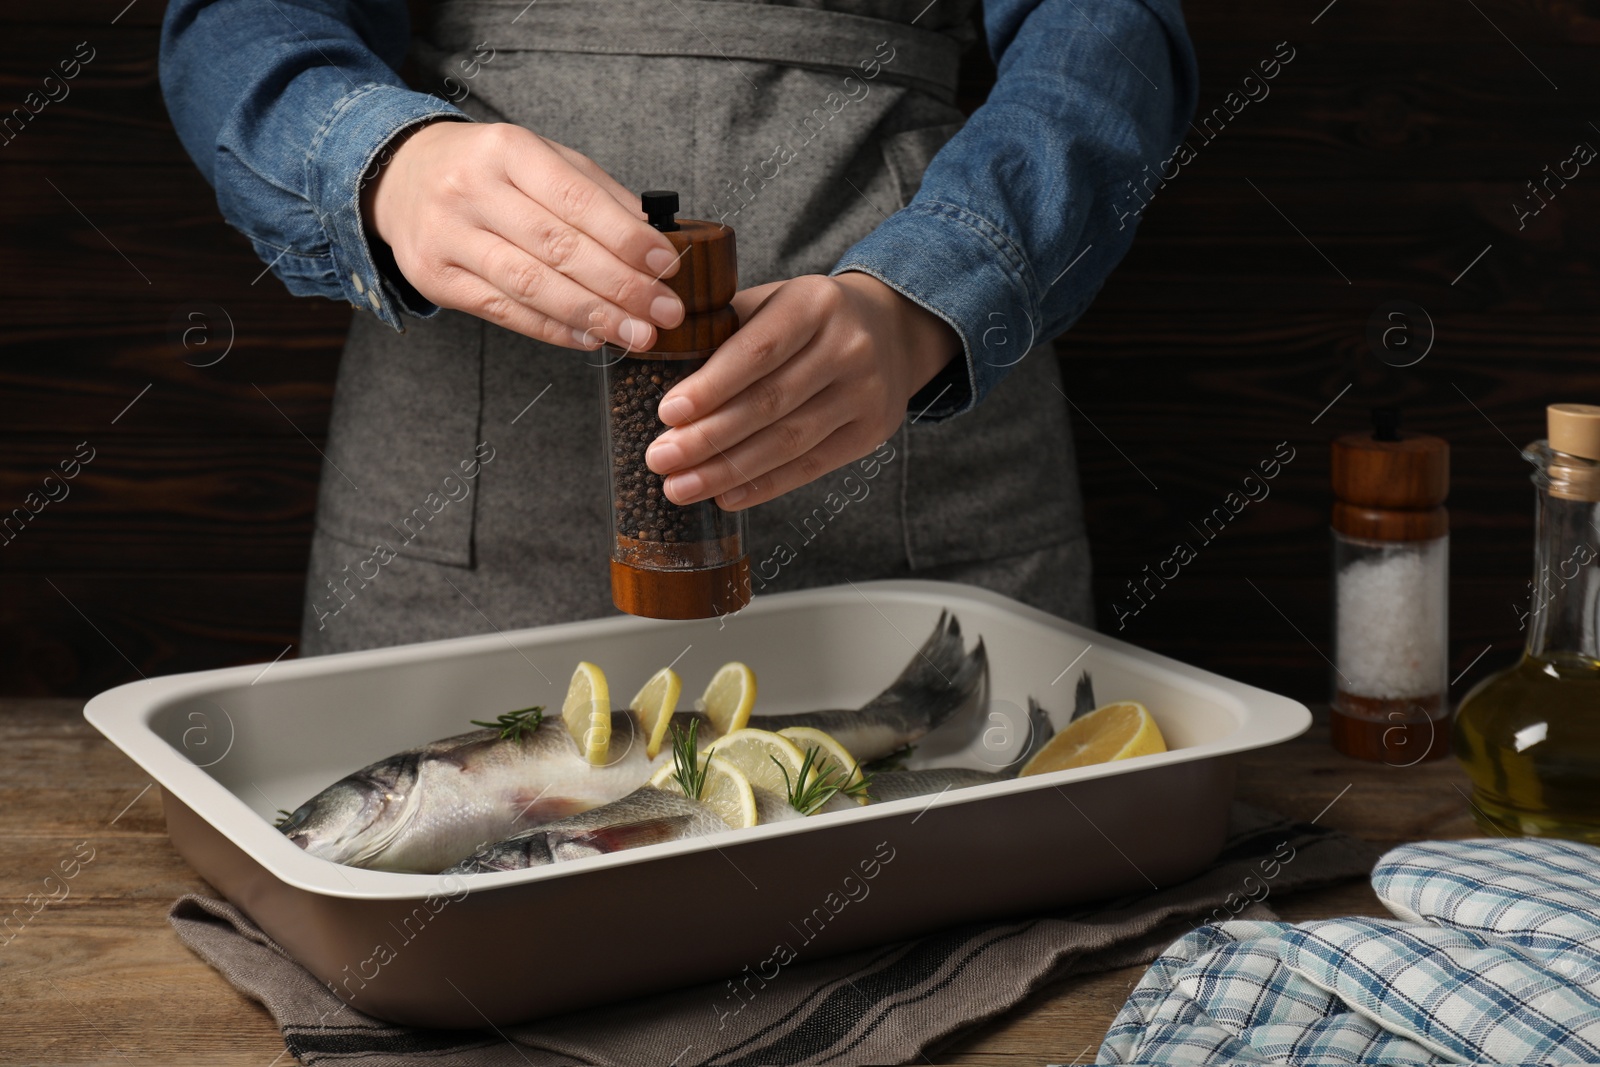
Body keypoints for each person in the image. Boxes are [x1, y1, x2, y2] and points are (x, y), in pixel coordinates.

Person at [160, 0, 1197, 655]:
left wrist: (934, 293)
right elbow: (233, 20)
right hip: (463, 492)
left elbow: (1103, 28)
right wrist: (375, 162)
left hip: (919, 443)